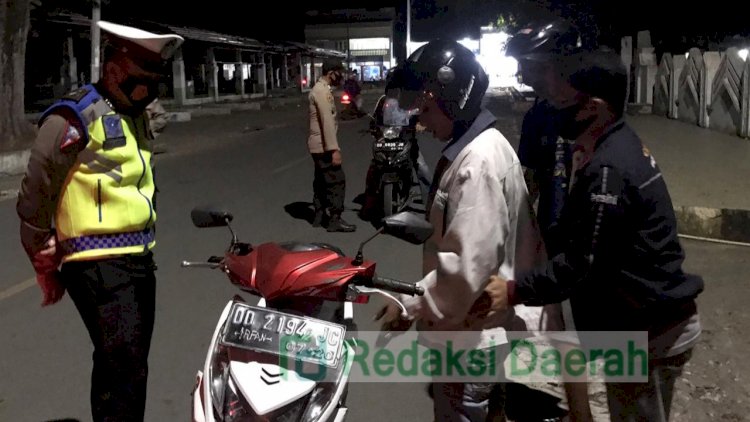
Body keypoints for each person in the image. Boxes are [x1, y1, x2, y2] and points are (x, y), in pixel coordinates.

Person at [480, 48, 704, 422]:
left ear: (595, 107)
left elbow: (583, 263)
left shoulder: (609, 170)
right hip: (641, 323)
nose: (554, 110)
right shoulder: (607, 145)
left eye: (562, 102)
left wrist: (515, 290)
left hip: (651, 332)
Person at [16, 20, 184, 421]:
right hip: (96, 263)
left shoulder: (134, 113)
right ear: (113, 69)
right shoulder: (75, 117)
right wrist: (41, 253)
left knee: (129, 364)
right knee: (123, 364)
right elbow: (37, 187)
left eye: (155, 82)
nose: (149, 92)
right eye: (141, 80)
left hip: (138, 258)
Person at [373, 39, 547, 422]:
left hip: (471, 340)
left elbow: (466, 271)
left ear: (452, 100)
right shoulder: (481, 147)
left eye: (425, 107)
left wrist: (409, 304)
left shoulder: (477, 164)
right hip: (478, 331)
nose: (420, 120)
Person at [504, 19, 596, 422]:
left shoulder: (593, 111)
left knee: (587, 331)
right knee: (562, 328)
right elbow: (530, 179)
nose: (524, 74)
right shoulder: (537, 118)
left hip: (590, 242)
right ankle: (577, 410)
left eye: (530, 65)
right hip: (553, 238)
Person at [308, 58, 356, 232]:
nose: (341, 76)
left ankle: (319, 214)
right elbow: (327, 122)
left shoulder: (320, 89)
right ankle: (335, 219)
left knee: (321, 180)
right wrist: (334, 149)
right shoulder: (322, 92)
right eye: (339, 73)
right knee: (337, 181)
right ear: (331, 73)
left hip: (317, 145)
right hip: (323, 146)